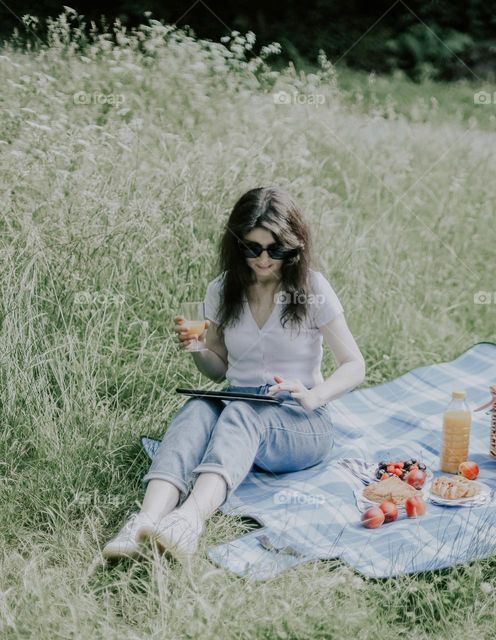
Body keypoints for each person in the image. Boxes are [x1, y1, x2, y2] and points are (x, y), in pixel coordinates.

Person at [102, 186, 365, 562]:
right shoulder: (223, 289)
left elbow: (355, 364)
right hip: (240, 401)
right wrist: (198, 347)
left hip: (301, 417)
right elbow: (219, 371)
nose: (263, 259)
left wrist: (313, 395)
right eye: (252, 247)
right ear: (236, 243)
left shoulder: (312, 289)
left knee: (241, 413)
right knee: (197, 407)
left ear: (294, 245)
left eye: (274, 249)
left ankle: (188, 520)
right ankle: (143, 520)